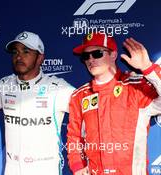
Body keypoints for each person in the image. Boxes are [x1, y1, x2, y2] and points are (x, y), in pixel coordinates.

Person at [67, 32, 161, 175]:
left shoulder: (135, 87)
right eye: (86, 56)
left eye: (97, 53)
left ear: (113, 55)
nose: (90, 59)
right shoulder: (80, 95)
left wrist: (148, 67)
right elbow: (74, 136)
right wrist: (78, 167)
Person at [0, 31, 75, 175]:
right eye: (15, 52)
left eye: (26, 51)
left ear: (40, 58)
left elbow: (88, 111)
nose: (19, 57)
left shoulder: (58, 88)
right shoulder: (5, 85)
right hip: (12, 168)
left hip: (44, 168)